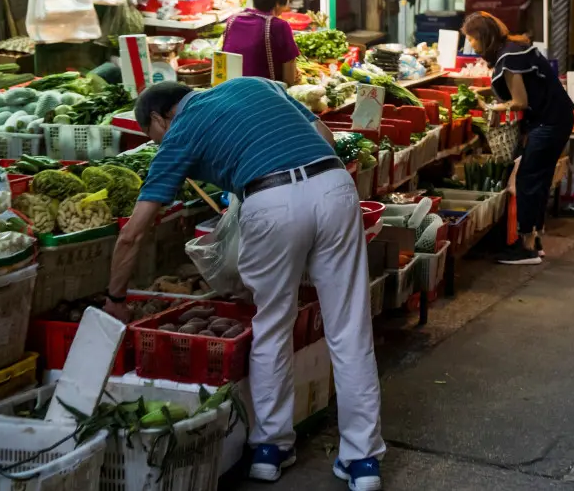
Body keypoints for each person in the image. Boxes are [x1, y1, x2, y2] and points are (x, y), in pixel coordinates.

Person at [108, 79, 385, 490]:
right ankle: (362, 463)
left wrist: (115, 298)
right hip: (333, 186)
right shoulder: (254, 84)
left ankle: (269, 450)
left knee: (273, 324)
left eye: (152, 137)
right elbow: (323, 134)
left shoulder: (179, 133)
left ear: (158, 119)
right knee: (349, 329)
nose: (156, 144)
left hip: (270, 201)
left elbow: (133, 233)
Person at [462, 11, 574, 264]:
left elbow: (520, 102)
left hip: (549, 122)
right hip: (557, 118)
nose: (471, 46)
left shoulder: (509, 59)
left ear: (483, 37)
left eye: (472, 40)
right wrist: (483, 91)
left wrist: (491, 108)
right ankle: (533, 240)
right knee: (540, 178)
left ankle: (526, 249)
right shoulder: (514, 47)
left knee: (528, 179)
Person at [220, 0, 300, 84]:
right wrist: (296, 79)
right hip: (263, 95)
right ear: (278, 2)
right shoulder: (279, 26)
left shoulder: (233, 20)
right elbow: (289, 78)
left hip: (232, 90)